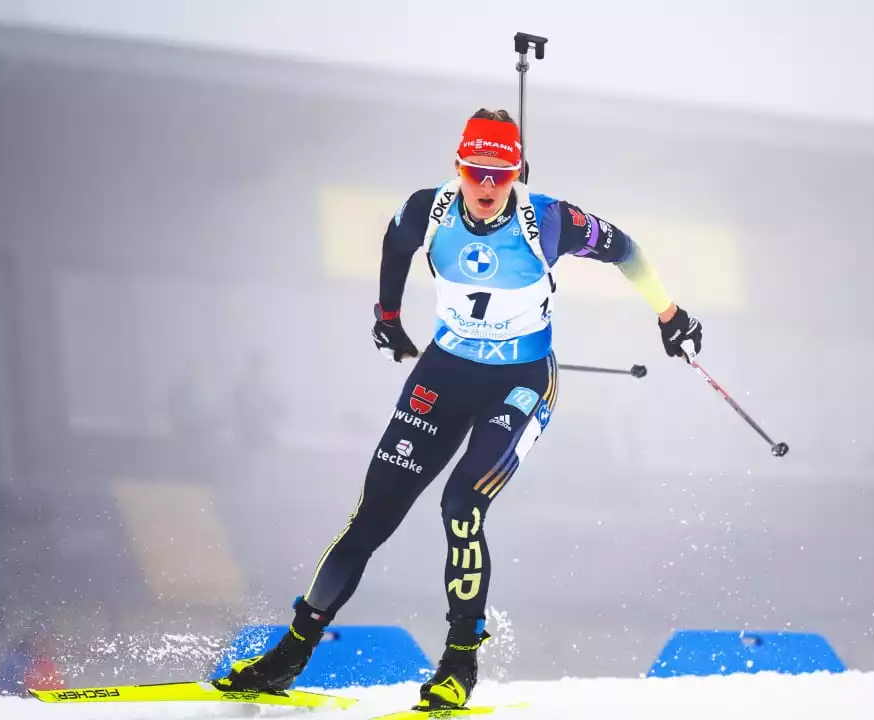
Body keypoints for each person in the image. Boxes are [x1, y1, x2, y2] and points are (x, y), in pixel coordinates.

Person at [214, 108, 703, 709]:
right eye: (477, 172)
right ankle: (289, 654)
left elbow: (625, 249)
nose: (488, 186)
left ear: (518, 170)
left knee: (462, 504)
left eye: (501, 174)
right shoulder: (427, 208)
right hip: (444, 373)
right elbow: (394, 246)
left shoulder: (547, 219)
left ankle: (459, 662)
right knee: (373, 515)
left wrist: (669, 313)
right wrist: (387, 318)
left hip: (521, 382)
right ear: (459, 168)